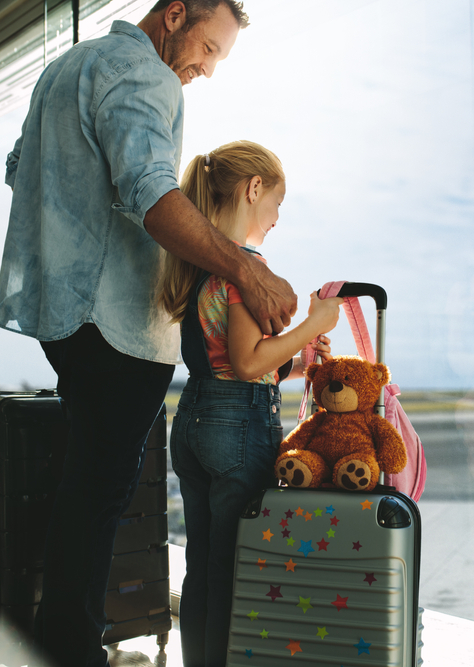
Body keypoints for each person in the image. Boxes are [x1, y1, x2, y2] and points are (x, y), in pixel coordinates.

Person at [0, 2, 297, 666]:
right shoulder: (142, 73)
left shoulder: (64, 69)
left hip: (62, 313)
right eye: (208, 49)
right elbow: (152, 191)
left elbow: (20, 170)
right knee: (98, 496)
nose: (207, 69)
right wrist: (245, 270)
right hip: (116, 323)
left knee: (84, 487)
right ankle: (69, 649)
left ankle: (57, 639)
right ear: (175, 15)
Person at [159, 141, 342, 667]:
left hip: (196, 417)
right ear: (254, 189)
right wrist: (312, 325)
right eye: (277, 203)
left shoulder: (200, 264)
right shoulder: (248, 267)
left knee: (203, 567)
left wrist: (299, 361)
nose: (279, 217)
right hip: (237, 427)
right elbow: (246, 362)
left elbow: (228, 356)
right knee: (233, 571)